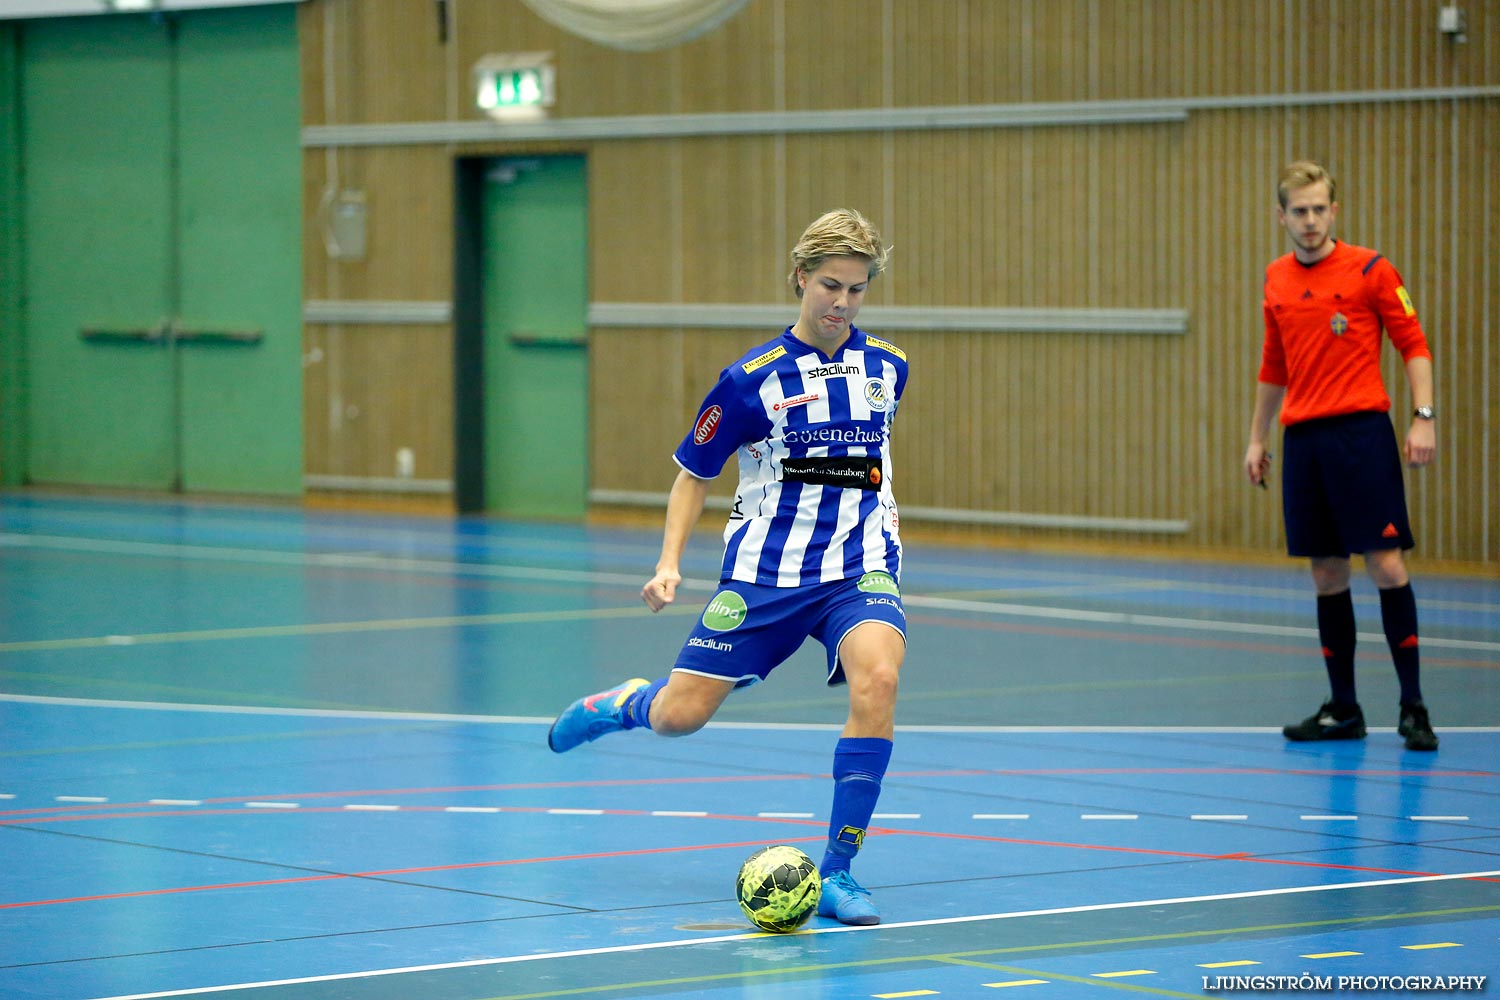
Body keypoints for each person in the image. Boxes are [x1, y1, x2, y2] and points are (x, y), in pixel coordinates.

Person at [547, 209, 908, 924]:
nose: (842, 303)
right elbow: (692, 473)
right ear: (800, 279)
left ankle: (838, 872)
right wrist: (669, 563)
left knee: (881, 679)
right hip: (765, 577)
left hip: (859, 567)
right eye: (830, 285)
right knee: (680, 718)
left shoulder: (889, 368)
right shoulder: (748, 383)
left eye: (857, 290)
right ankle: (624, 704)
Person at [1243, 160, 1438, 751]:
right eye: (1298, 211)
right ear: (1282, 216)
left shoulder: (1372, 270)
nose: (1309, 220)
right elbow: (1273, 365)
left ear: (1335, 210)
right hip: (1304, 442)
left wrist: (1423, 417)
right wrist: (1258, 437)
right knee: (1327, 573)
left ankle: (1413, 707)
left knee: (1385, 565)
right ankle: (1345, 710)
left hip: (1361, 436)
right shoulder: (1276, 279)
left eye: (1319, 208)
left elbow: (1413, 343)